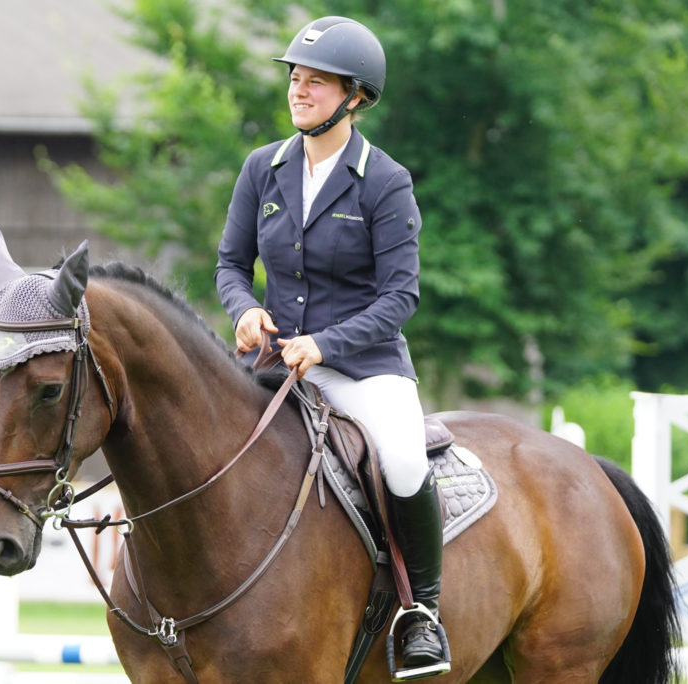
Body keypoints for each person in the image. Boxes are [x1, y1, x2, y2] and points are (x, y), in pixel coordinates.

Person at [214, 15, 450, 680]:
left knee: (403, 460)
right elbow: (230, 264)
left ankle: (421, 613)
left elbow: (400, 297)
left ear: (356, 97)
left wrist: (324, 343)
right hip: (270, 363)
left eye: (316, 81)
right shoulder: (263, 168)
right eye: (295, 76)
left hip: (363, 367)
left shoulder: (385, 182)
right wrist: (246, 310)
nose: (299, 88)